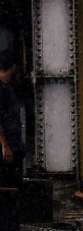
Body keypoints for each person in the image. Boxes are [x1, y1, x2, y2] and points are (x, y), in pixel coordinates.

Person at [0, 47, 23, 188]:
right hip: (6, 143)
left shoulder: (6, 87)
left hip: (11, 142)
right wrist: (5, 145)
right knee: (8, 183)